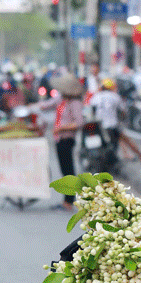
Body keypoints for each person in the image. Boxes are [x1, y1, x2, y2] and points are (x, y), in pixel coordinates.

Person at [90, 78, 141, 162]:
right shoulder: (115, 96)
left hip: (98, 127)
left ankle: (131, 155)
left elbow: (92, 110)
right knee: (126, 139)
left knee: (120, 138)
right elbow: (123, 112)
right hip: (112, 125)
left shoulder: (96, 97)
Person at [50, 74, 84, 211]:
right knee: (64, 170)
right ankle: (67, 200)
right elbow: (47, 105)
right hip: (59, 138)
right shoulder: (62, 100)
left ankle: (69, 201)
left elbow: (79, 122)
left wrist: (62, 128)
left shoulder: (75, 103)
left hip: (67, 138)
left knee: (68, 171)